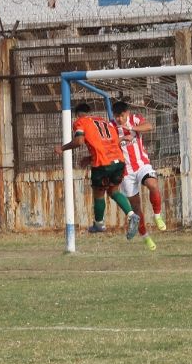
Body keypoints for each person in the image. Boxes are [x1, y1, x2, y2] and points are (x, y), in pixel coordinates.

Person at [54, 102, 140, 241]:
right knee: (114, 191)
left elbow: (79, 141)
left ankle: (99, 224)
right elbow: (112, 142)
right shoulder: (104, 121)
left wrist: (62, 148)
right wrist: (89, 157)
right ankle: (131, 215)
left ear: (78, 114)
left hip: (102, 163)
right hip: (118, 161)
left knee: (99, 193)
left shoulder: (80, 122)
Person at [112, 101, 167, 251]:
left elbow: (149, 126)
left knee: (153, 184)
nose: (119, 119)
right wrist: (122, 139)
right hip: (126, 172)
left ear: (127, 113)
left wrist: (131, 128)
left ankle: (157, 215)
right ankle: (146, 237)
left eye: (121, 116)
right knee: (136, 208)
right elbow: (109, 144)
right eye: (116, 116)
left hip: (142, 164)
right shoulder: (112, 127)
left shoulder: (134, 119)